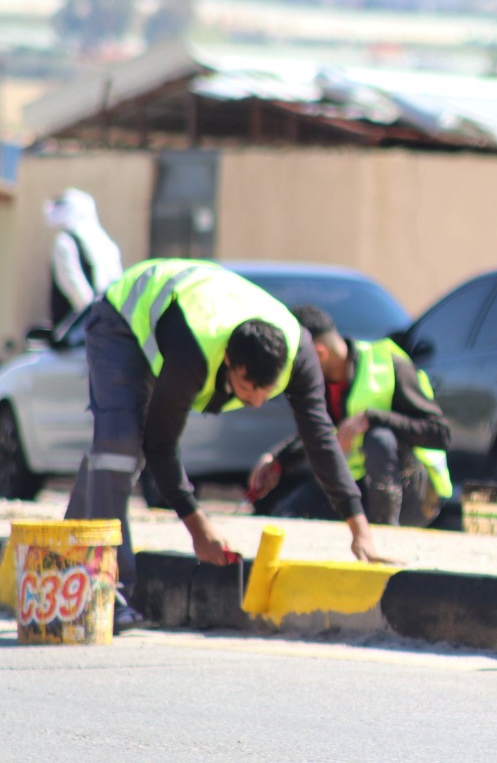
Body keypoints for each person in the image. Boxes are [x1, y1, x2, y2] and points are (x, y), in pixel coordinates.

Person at [64, 259, 393, 632]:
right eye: (249, 388)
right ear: (229, 361)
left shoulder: (300, 354)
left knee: (112, 458)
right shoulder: (192, 352)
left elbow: (321, 439)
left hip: (186, 311)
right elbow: (160, 444)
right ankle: (109, 591)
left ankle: (65, 556)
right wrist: (196, 524)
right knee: (121, 446)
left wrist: (359, 528)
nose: (255, 402)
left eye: (267, 392)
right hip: (122, 318)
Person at [247, 305, 452, 528]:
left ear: (318, 352)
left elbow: (439, 434)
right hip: (358, 489)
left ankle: (385, 533)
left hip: (415, 495)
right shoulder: (321, 384)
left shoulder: (389, 365)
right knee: (286, 517)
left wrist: (372, 418)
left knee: (378, 437)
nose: (295, 370)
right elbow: (319, 433)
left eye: (297, 360)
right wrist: (277, 461)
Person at [43, 187, 124, 324]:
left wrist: (93, 318)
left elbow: (76, 288)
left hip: (78, 330)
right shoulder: (105, 242)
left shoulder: (65, 241)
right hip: (105, 323)